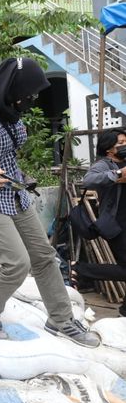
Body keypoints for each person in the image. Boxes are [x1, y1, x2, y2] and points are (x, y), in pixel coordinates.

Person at [0, 58, 99, 347]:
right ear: (12, 87)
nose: (31, 99)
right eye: (28, 93)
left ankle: (61, 319)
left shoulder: (9, 112)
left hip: (14, 194)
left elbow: (7, 154)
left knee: (44, 257)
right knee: (16, 263)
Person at [71, 128, 126, 316]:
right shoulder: (104, 165)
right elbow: (88, 180)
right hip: (116, 224)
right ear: (109, 148)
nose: (124, 146)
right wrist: (117, 175)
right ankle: (81, 269)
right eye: (120, 143)